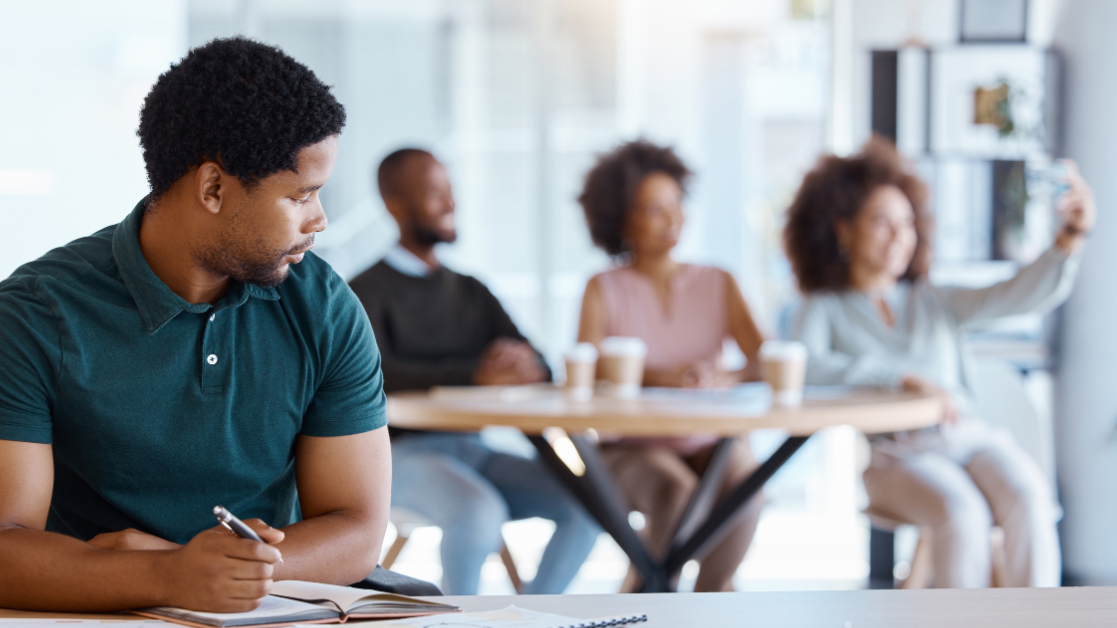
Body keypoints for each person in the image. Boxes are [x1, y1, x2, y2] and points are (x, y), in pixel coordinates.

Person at [0, 38, 392, 612]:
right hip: (91, 617)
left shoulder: (323, 307)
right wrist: (172, 576)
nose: (320, 219)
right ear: (213, 188)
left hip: (266, 616)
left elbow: (356, 529)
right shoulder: (31, 315)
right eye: (300, 194)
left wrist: (213, 572)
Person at [784, 137, 1095, 588]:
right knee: (962, 512)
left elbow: (1017, 295)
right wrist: (899, 378)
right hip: (896, 456)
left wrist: (1070, 237)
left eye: (907, 223)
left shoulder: (933, 300)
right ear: (843, 229)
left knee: (1028, 494)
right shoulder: (824, 306)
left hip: (966, 436)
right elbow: (807, 370)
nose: (899, 236)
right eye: (881, 222)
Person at [349, 148, 600, 595]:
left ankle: (534, 619)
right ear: (395, 205)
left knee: (588, 503)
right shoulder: (365, 290)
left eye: (451, 191)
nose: (451, 203)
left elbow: (538, 363)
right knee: (478, 511)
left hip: (475, 450)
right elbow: (374, 375)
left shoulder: (470, 289)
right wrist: (475, 374)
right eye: (434, 193)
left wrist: (522, 365)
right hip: (400, 458)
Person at [575, 140, 765, 592]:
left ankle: (709, 599)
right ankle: (651, 595)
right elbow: (589, 368)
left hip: (707, 440)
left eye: (677, 204)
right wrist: (659, 377)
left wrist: (726, 376)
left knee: (747, 484)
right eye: (653, 210)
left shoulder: (719, 281)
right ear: (622, 219)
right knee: (675, 494)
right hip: (632, 445)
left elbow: (765, 360)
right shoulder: (603, 288)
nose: (672, 219)